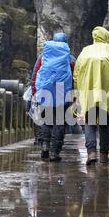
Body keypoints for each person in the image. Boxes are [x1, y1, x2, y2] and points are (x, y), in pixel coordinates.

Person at [73, 26, 109, 165]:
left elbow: (76, 75)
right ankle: (104, 154)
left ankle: (91, 152)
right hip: (107, 93)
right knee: (104, 123)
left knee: (90, 122)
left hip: (88, 93)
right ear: (106, 37)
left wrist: (77, 94)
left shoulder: (85, 51)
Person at [32, 32, 76, 162]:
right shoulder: (70, 58)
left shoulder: (43, 56)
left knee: (46, 120)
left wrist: (35, 92)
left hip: (45, 91)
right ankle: (55, 152)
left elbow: (35, 75)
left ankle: (45, 146)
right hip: (63, 93)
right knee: (60, 122)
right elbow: (75, 78)